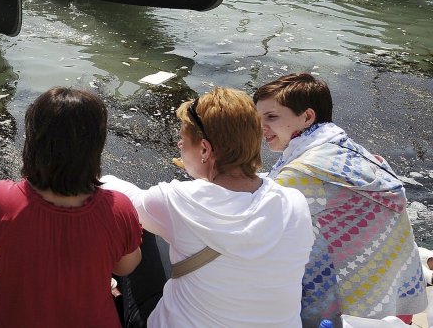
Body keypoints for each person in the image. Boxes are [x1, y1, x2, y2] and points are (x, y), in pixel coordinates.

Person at [103, 87, 314, 328]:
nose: (180, 144)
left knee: (136, 224)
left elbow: (117, 194)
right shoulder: (294, 203)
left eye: (183, 138)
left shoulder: (177, 201)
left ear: (205, 149)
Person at [0, 87, 143, 328]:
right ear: (95, 148)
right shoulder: (119, 209)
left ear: (34, 142)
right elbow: (126, 265)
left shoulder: (2, 200)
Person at [255, 73, 427, 326]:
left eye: (271, 117)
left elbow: (252, 219)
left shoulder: (303, 171)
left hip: (358, 311)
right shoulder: (341, 147)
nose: (261, 128)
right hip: (397, 296)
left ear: (307, 117)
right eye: (258, 119)